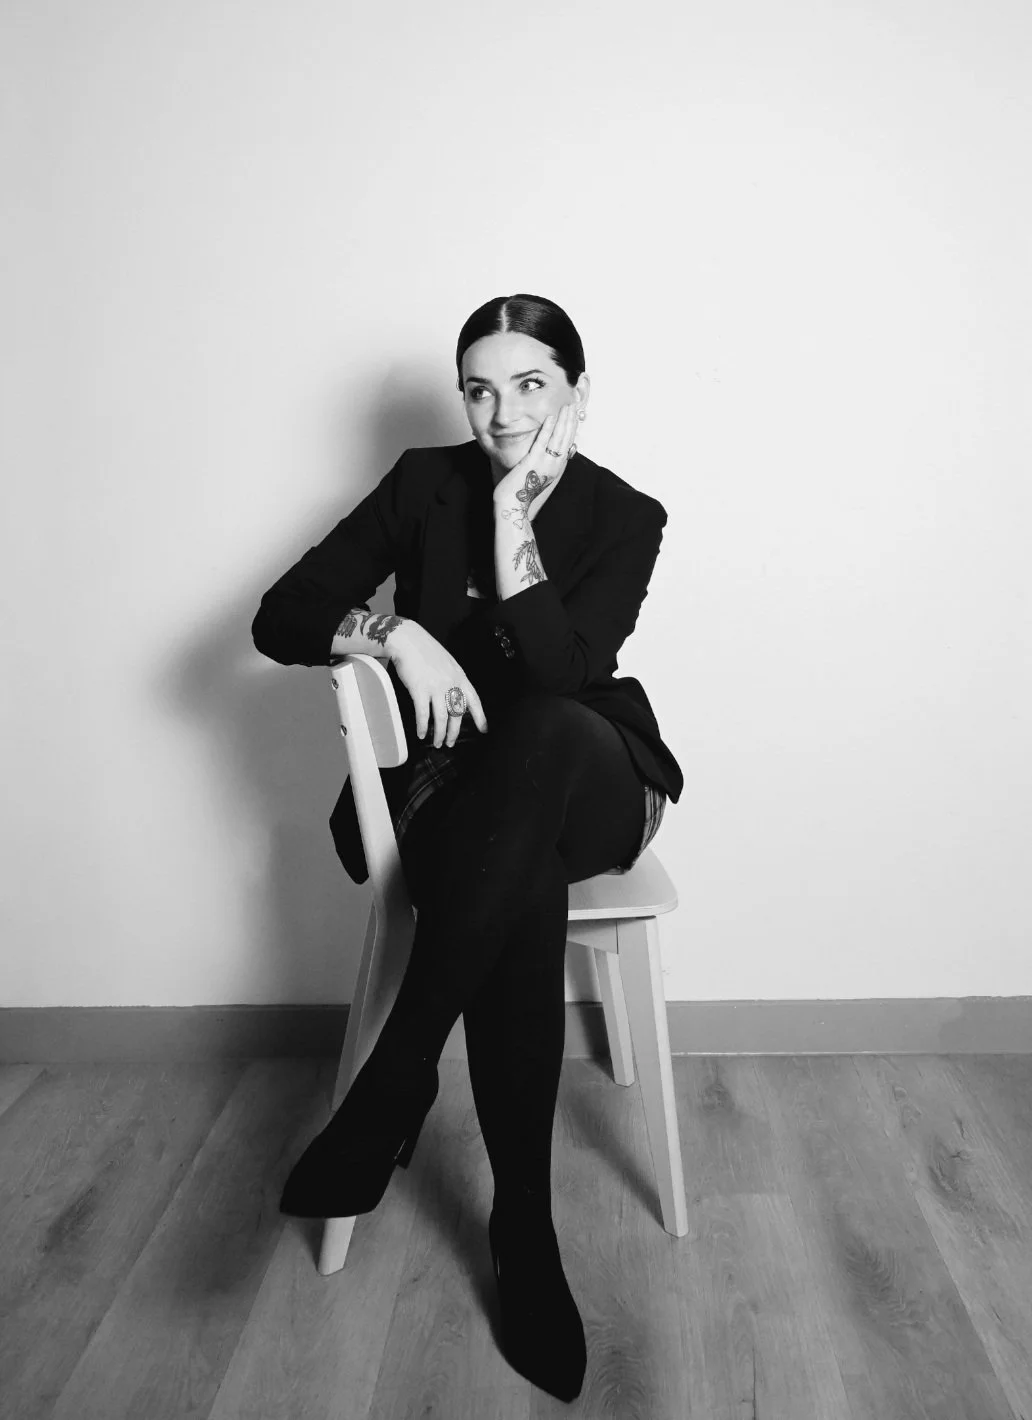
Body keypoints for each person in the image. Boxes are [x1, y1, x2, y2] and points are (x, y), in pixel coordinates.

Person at [251, 293, 683, 1403]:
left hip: (593, 778)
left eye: (530, 384)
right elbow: (282, 615)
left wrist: (511, 526)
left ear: (576, 394)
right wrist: (397, 637)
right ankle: (525, 1235)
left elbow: (561, 675)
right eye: (480, 388)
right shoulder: (419, 483)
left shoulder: (627, 515)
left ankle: (397, 1083)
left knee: (539, 737)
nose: (500, 411)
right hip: (459, 804)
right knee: (513, 874)